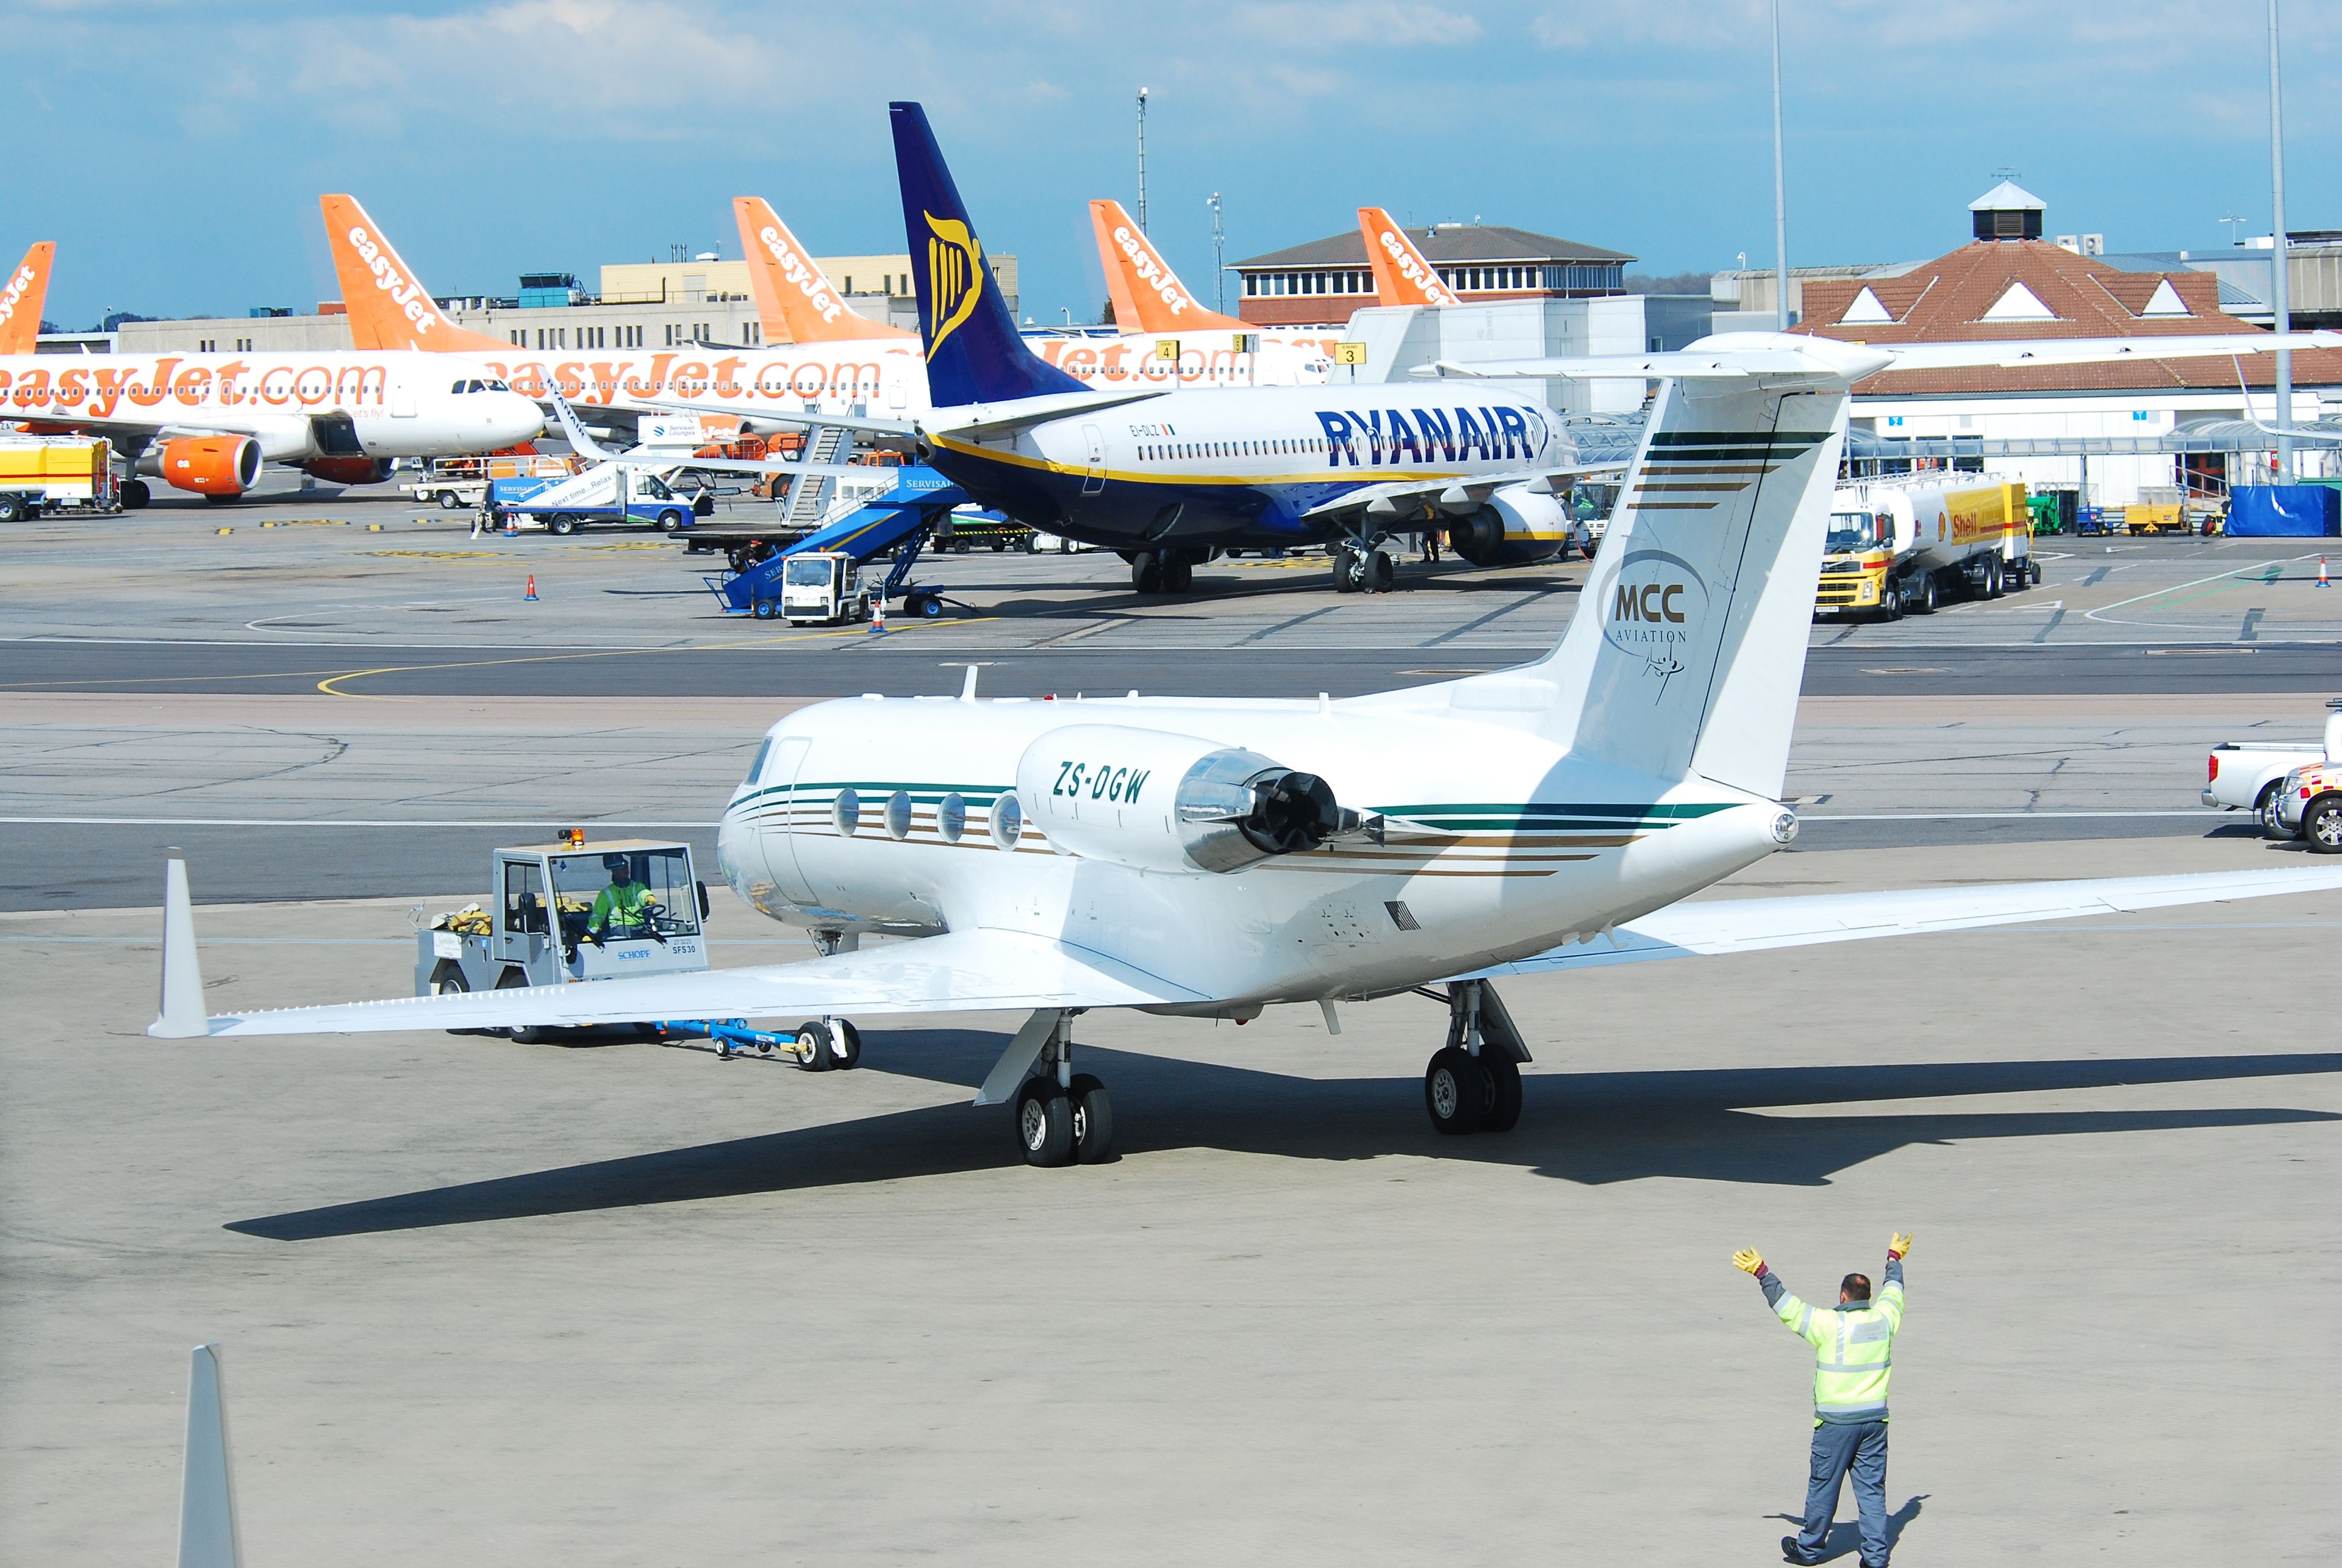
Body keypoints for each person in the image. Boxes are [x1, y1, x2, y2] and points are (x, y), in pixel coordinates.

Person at [1733, 1234, 1913, 1568]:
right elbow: (1895, 1293)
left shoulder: (1830, 1323)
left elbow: (1788, 1307)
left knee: (1823, 1488)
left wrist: (1762, 1272)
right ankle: (1875, 1559)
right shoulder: (1885, 1319)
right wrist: (1894, 1260)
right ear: (1867, 1297)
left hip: (1835, 1425)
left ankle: (1810, 1549)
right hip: (1875, 1423)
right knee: (1872, 1490)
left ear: (1843, 1296)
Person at [584, 854, 661, 943]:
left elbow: (642, 893)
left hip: (640, 925)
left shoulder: (636, 887)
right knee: (625, 935)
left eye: (626, 867)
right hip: (619, 927)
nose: (626, 870)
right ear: (615, 871)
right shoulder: (606, 894)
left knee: (652, 935)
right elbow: (598, 916)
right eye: (622, 868)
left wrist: (648, 897)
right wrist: (590, 933)